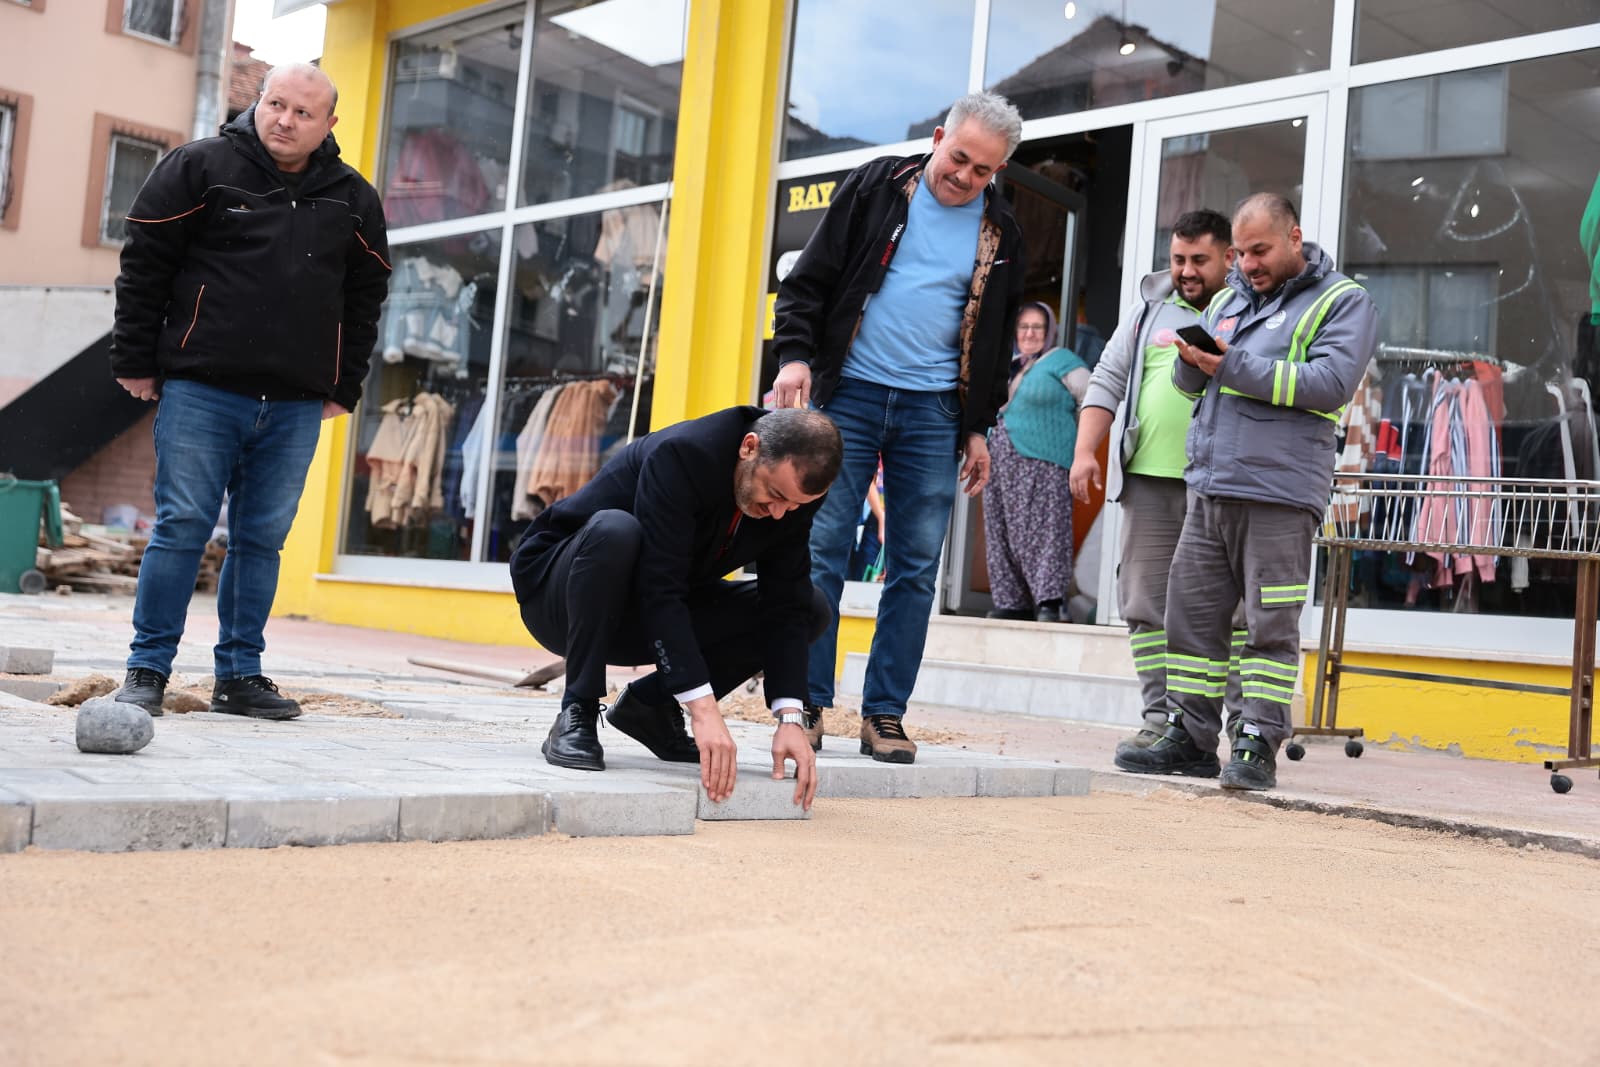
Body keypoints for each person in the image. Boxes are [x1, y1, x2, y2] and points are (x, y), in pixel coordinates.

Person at [109, 64, 392, 721]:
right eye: (275, 104)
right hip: (202, 389)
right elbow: (144, 264)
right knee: (182, 527)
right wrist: (135, 359)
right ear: (258, 103)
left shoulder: (354, 199)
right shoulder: (200, 166)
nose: (284, 120)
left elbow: (365, 298)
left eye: (302, 112)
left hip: (294, 403)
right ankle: (147, 669)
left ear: (329, 124)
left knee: (261, 540)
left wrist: (344, 385)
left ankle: (239, 676)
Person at [771, 91, 1026, 764]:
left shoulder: (1001, 231)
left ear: (998, 171)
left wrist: (979, 428)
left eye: (982, 170)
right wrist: (795, 356)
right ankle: (807, 703)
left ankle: (884, 714)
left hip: (933, 412)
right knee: (822, 549)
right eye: (959, 157)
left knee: (914, 567)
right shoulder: (876, 188)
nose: (965, 176)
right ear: (939, 137)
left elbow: (996, 339)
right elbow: (808, 283)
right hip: (848, 396)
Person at [1114, 193, 1377, 791]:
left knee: (1268, 624)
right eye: (1242, 252)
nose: (1249, 264)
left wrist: (1227, 365)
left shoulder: (1342, 300)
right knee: (1192, 619)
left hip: (1279, 493)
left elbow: (1329, 384)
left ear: (1294, 238)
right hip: (1211, 486)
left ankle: (1257, 739)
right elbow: (1196, 384)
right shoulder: (1229, 300)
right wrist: (1189, 362)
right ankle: (1190, 736)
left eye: (1261, 251)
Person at [510, 407, 843, 811]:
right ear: (749, 448)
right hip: (560, 598)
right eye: (774, 495)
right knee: (615, 530)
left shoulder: (793, 495)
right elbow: (661, 586)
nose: (778, 513)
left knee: (811, 607)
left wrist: (790, 718)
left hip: (651, 612)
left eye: (792, 506)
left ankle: (649, 707)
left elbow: (785, 600)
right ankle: (576, 709)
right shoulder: (683, 455)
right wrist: (703, 710)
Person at [1069, 209, 1247, 752]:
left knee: (1234, 611)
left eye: (1199, 260)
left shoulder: (1250, 309)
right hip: (1149, 479)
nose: (1186, 271)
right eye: (1178, 259)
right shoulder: (1148, 310)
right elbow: (1107, 379)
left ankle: (1244, 728)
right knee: (1144, 603)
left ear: (1229, 258)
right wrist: (1085, 452)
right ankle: (1160, 719)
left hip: (1224, 482)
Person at [984, 301, 1089, 622]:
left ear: (1050, 331)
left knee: (1046, 529)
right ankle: (1012, 602)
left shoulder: (1063, 361)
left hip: (1045, 460)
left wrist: (1080, 445)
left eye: (1037, 327)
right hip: (1000, 462)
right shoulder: (1009, 365)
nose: (1030, 333)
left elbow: (1093, 399)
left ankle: (1050, 601)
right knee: (1001, 531)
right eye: (1024, 327)